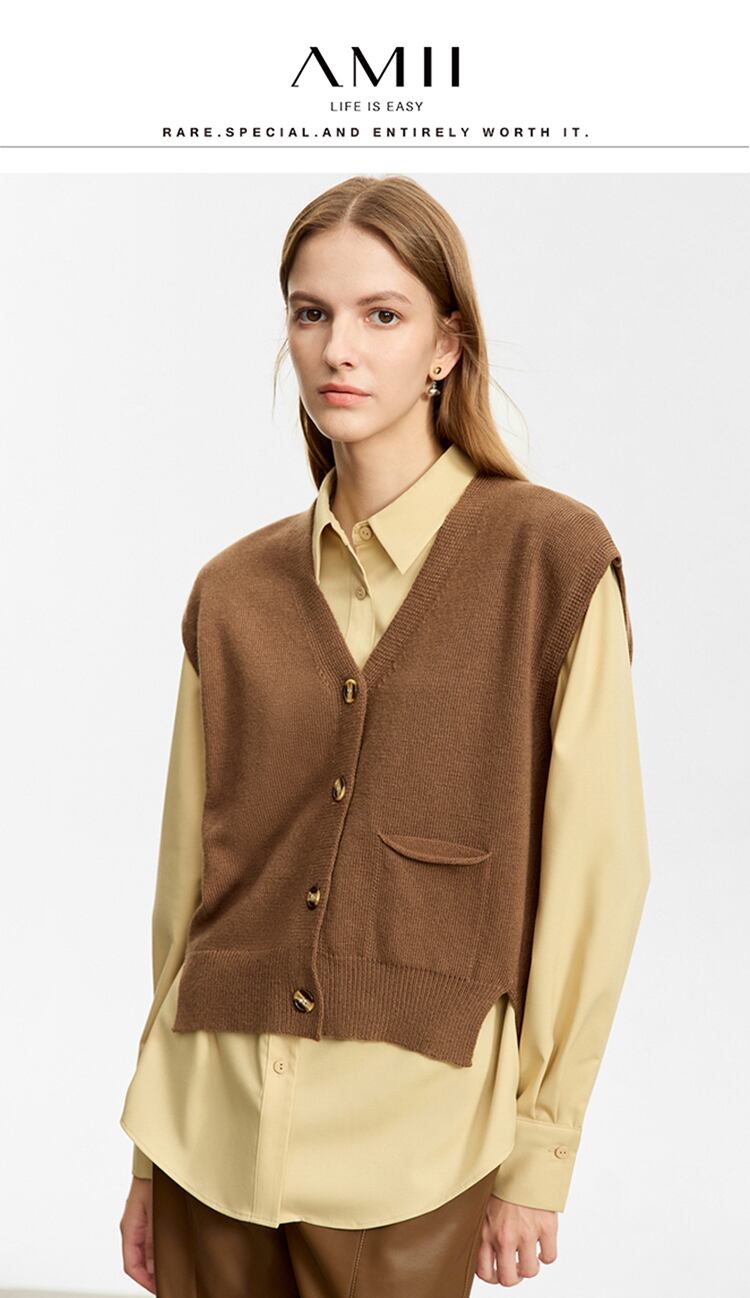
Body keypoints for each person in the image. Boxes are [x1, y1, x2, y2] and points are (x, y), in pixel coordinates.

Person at [119, 174, 651, 1295]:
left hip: (412, 1141)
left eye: (383, 314)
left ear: (447, 345)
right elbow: (184, 890)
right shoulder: (233, 591)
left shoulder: (547, 564)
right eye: (311, 313)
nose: (339, 349)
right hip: (206, 1128)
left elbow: (598, 875)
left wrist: (541, 1148)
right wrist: (147, 1158)